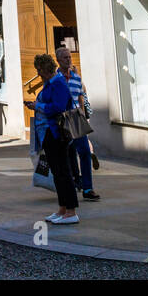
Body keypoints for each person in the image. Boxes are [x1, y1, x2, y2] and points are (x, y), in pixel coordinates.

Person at [26, 53, 78, 224]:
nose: (38, 74)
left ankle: (71, 211)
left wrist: (38, 106)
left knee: (63, 172)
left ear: (46, 69)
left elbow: (59, 106)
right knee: (57, 173)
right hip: (48, 133)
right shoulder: (51, 83)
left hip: (56, 132)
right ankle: (62, 209)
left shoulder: (58, 83)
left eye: (39, 70)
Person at [55, 46, 100, 201]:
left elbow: (80, 98)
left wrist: (82, 114)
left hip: (75, 117)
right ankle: (71, 185)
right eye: (65, 58)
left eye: (69, 57)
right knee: (66, 155)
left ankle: (88, 188)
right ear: (58, 60)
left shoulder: (76, 78)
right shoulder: (55, 78)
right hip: (61, 118)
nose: (69, 60)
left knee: (85, 152)